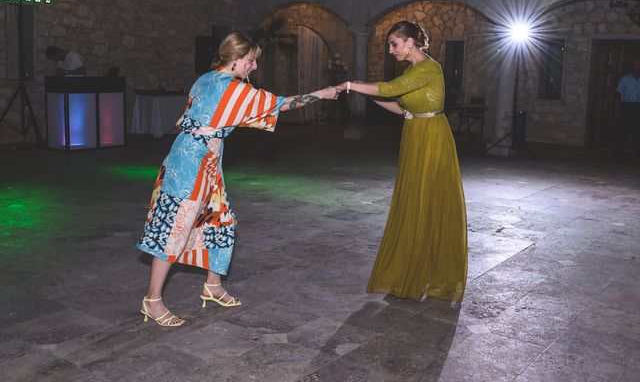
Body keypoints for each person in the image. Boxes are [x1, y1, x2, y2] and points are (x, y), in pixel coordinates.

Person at [136, 32, 340, 327]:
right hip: (193, 165)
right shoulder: (232, 88)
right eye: (251, 61)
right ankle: (152, 301)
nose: (254, 67)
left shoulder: (205, 78)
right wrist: (322, 94)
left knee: (221, 220)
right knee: (175, 229)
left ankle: (213, 285)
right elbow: (280, 104)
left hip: (198, 158)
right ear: (235, 60)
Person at [339, 21, 467, 303]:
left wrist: (350, 84)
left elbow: (390, 88)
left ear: (410, 43)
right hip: (414, 136)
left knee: (428, 202)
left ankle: (431, 276)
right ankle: (412, 270)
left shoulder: (428, 69)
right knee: (412, 202)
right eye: (389, 44)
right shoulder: (413, 72)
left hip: (432, 138)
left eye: (393, 44)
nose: (390, 49)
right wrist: (363, 92)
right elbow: (400, 105)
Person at [613, 59, 640, 157]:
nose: (637, 66)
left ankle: (637, 153)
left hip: (638, 107)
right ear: (632, 66)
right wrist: (621, 105)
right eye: (635, 64)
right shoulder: (625, 78)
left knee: (637, 131)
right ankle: (617, 153)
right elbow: (619, 93)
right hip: (626, 106)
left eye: (639, 64)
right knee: (622, 130)